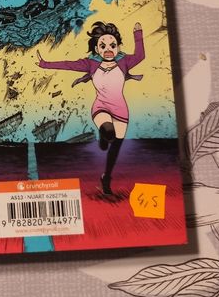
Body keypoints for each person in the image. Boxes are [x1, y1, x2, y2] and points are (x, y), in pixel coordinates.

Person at [36, 21, 144, 195]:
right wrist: (45, 64)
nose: (108, 49)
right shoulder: (91, 63)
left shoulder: (124, 61)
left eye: (112, 45)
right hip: (101, 106)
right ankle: (103, 134)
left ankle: (106, 177)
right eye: (103, 46)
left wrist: (138, 34)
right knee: (109, 131)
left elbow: (140, 56)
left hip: (121, 110)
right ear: (96, 48)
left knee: (115, 147)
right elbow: (68, 64)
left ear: (118, 47)